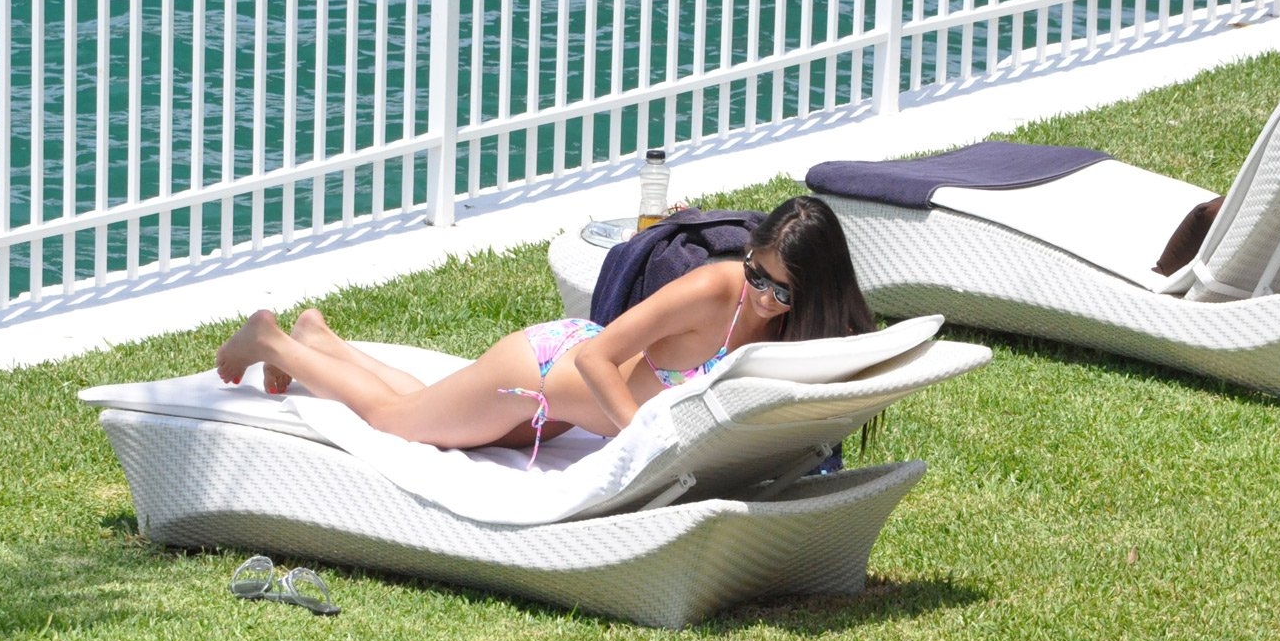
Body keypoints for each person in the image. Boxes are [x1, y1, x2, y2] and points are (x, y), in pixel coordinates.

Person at [213, 194, 876, 463]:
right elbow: (597, 358)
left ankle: (322, 340)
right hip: (542, 372)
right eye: (757, 275)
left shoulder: (809, 330)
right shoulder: (714, 289)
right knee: (396, 422)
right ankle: (273, 340)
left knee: (427, 408)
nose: (762, 298)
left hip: (562, 411)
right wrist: (647, 443)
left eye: (781, 290)